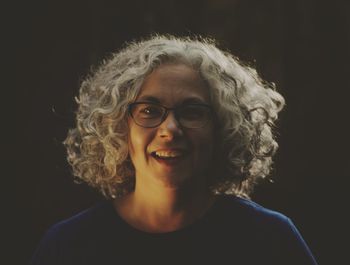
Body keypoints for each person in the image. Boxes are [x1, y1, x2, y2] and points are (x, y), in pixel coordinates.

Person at [30, 35, 318, 265]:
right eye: (149, 110)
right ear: (119, 126)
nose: (170, 129)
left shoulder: (270, 239)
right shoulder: (68, 246)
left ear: (223, 128)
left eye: (192, 112)